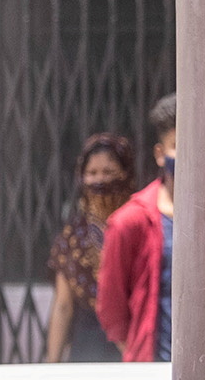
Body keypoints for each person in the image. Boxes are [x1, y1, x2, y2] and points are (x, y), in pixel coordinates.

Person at [96, 93, 178, 364]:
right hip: (155, 366)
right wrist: (138, 360)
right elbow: (111, 305)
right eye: (178, 146)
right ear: (160, 154)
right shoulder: (129, 222)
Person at [42, 131, 135, 365]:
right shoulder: (73, 236)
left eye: (108, 172)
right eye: (92, 173)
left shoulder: (140, 228)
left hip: (135, 342)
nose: (100, 180)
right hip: (88, 345)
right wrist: (51, 364)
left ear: (125, 173)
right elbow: (63, 305)